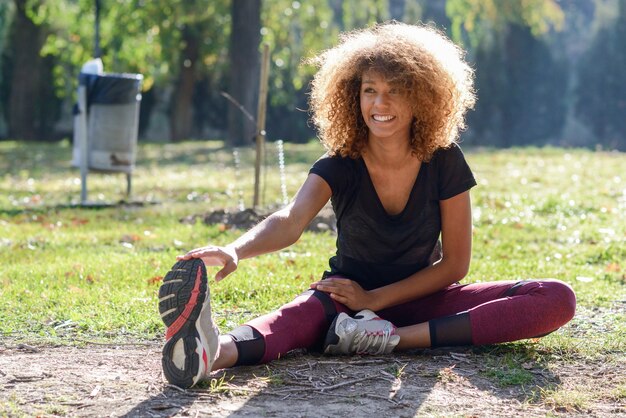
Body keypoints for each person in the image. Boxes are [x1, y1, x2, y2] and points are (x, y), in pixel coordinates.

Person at [157, 22, 576, 389]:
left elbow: (455, 266)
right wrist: (236, 249)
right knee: (296, 318)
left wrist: (375, 303)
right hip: (345, 302)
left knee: (556, 297)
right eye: (370, 91)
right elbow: (291, 218)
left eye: (396, 91)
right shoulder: (340, 163)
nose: (380, 104)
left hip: (424, 300)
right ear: (352, 98)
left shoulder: (445, 159)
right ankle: (210, 352)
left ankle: (392, 339)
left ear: (424, 98)